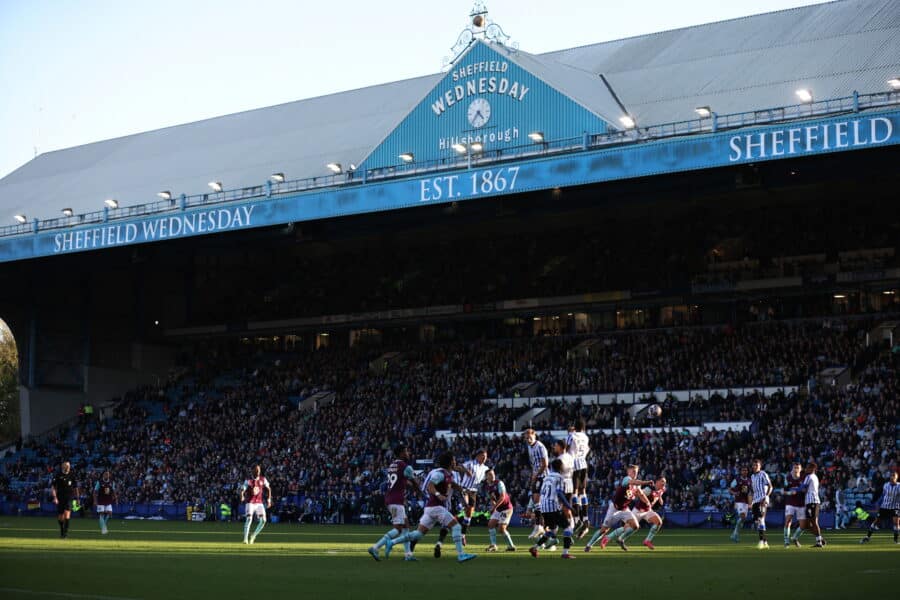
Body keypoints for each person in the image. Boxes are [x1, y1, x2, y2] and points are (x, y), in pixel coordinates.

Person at [385, 452, 476, 563]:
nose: (455, 461)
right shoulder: (440, 474)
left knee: (417, 534)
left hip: (431, 509)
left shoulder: (447, 474)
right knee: (456, 527)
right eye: (453, 460)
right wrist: (438, 495)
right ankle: (461, 555)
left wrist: (464, 490)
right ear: (449, 462)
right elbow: (430, 486)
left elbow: (453, 484)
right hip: (437, 507)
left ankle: (392, 542)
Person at [369, 444, 419, 561]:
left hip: (392, 499)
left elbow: (403, 481)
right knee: (398, 529)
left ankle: (408, 555)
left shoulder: (393, 465)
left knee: (406, 526)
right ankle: (376, 547)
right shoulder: (404, 465)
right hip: (396, 500)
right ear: (401, 453)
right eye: (406, 451)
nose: (408, 453)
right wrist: (418, 490)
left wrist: (411, 485)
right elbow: (413, 481)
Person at [585, 464, 652, 551]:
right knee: (604, 530)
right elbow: (633, 482)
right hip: (614, 508)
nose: (635, 474)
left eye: (636, 472)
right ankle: (589, 545)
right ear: (628, 472)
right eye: (633, 471)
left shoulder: (637, 485)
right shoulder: (626, 479)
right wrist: (646, 482)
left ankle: (621, 539)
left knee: (635, 526)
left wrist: (647, 503)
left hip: (624, 509)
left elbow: (641, 494)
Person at [528, 458, 576, 559]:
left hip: (544, 507)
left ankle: (535, 548)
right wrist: (568, 506)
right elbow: (559, 492)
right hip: (552, 507)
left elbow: (542, 493)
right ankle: (565, 553)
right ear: (561, 467)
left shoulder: (546, 478)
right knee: (568, 528)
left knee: (553, 531)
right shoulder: (560, 477)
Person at [458, 449, 490, 544]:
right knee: (467, 507)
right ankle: (460, 507)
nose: (485, 458)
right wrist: (466, 471)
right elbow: (458, 466)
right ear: (478, 456)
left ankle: (462, 535)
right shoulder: (470, 464)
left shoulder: (485, 468)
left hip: (474, 492)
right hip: (465, 489)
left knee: (469, 515)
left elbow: (486, 479)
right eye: (483, 456)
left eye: (486, 457)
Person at [566, 420, 591, 539]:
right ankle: (585, 519)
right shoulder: (585, 437)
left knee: (574, 493)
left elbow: (565, 450)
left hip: (574, 465)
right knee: (583, 492)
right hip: (584, 464)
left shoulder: (571, 436)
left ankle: (577, 520)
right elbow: (587, 450)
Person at [791, 462, 825, 548]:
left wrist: (793, 488)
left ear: (812, 469)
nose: (806, 469)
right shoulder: (815, 477)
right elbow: (805, 489)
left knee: (812, 522)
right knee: (808, 523)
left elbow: (802, 487)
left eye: (808, 468)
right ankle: (819, 539)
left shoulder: (809, 477)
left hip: (811, 502)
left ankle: (819, 541)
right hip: (814, 501)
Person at [860, 470, 900, 544]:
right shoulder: (886, 485)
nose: (893, 477)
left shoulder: (899, 486)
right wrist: (878, 504)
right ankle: (867, 537)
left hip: (895, 507)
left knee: (896, 523)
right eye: (892, 475)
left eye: (894, 475)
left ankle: (896, 540)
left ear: (897, 477)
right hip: (884, 507)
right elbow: (883, 495)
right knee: (876, 521)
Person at [524, 428, 549, 540]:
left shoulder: (540, 447)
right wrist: (533, 476)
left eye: (530, 437)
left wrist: (536, 474)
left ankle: (539, 526)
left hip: (543, 476)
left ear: (534, 436)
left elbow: (545, 464)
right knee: (536, 502)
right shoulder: (529, 447)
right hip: (536, 476)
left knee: (537, 501)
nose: (528, 439)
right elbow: (534, 463)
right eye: (526, 438)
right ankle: (540, 528)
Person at [483, 469, 516, 552]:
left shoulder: (499, 483)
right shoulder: (487, 486)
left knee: (501, 529)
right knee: (490, 524)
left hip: (506, 508)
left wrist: (494, 508)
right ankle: (493, 545)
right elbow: (492, 498)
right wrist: (493, 505)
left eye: (493, 474)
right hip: (498, 508)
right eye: (490, 474)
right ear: (486, 476)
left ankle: (511, 546)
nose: (492, 476)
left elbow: (502, 497)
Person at [241, 465, 272, 544]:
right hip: (250, 502)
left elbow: (269, 489)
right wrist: (242, 495)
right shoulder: (248, 480)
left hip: (259, 503)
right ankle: (245, 539)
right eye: (256, 470)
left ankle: (253, 536)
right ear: (252, 471)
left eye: (259, 470)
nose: (258, 471)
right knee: (249, 519)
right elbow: (243, 489)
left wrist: (269, 500)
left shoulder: (263, 479)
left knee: (263, 521)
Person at [633, 477, 666, 550]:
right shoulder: (649, 489)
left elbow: (661, 501)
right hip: (638, 510)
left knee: (658, 522)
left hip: (648, 510)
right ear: (657, 482)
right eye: (662, 481)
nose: (664, 483)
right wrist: (637, 489)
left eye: (664, 482)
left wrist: (660, 497)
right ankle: (608, 537)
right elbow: (638, 494)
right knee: (629, 528)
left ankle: (647, 541)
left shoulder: (662, 489)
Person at [51, 461, 78, 539]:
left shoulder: (72, 475)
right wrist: (55, 497)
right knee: (60, 517)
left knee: (67, 514)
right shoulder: (58, 475)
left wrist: (77, 499)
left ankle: (65, 534)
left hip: (69, 498)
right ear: (63, 466)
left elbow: (76, 488)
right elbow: (53, 487)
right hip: (60, 498)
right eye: (66, 465)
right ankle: (62, 530)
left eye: (69, 465)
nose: (68, 467)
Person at [750, 458, 772, 549]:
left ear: (760, 466)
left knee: (760, 518)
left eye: (757, 465)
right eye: (754, 465)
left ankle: (761, 541)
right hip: (755, 500)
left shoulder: (763, 474)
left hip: (762, 499)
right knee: (757, 520)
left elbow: (770, 486)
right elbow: (753, 490)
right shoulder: (752, 476)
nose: (755, 467)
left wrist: (766, 497)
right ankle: (765, 541)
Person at [783, 462, 805, 547]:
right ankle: (786, 541)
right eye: (794, 468)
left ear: (800, 469)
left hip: (801, 503)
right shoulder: (788, 478)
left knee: (803, 525)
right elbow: (784, 491)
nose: (796, 469)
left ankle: (795, 538)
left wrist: (802, 491)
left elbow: (806, 489)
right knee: (788, 521)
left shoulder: (803, 479)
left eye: (797, 468)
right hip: (790, 503)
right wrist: (790, 493)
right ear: (792, 468)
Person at [728, 466, 752, 542]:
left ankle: (734, 534)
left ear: (747, 472)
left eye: (746, 470)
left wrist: (750, 503)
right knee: (742, 516)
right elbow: (729, 489)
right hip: (739, 501)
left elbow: (750, 493)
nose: (745, 472)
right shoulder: (737, 480)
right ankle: (735, 534)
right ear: (741, 472)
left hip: (746, 502)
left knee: (743, 519)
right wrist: (735, 493)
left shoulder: (749, 481)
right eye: (743, 470)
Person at [92, 470, 117, 535]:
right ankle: (103, 529)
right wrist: (95, 501)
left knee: (110, 513)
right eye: (105, 474)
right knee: (101, 514)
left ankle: (103, 526)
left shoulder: (112, 482)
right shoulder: (99, 482)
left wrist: (116, 498)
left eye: (108, 474)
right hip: (101, 500)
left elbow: (114, 491)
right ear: (103, 475)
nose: (107, 475)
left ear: (109, 475)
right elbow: (95, 492)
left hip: (108, 500)